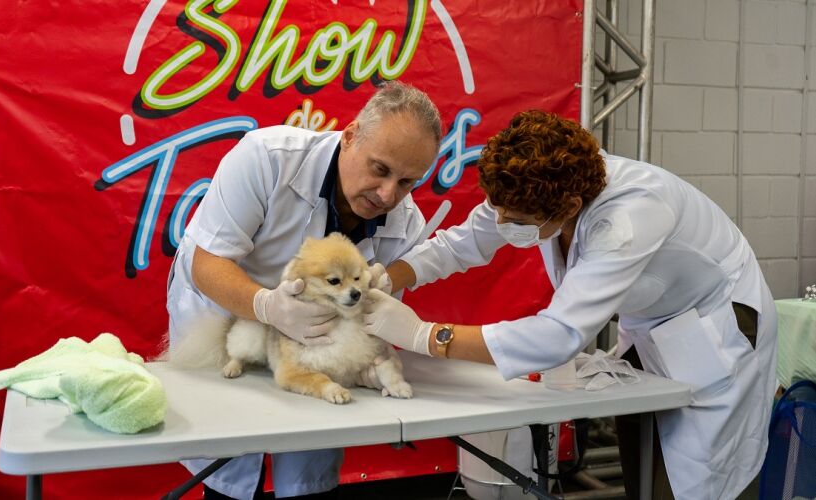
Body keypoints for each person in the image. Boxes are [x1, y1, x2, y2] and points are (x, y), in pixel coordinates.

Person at [364, 110, 777, 500]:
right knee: (643, 464)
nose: (503, 224)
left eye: (518, 220)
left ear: (571, 209)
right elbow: (464, 243)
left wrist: (426, 335)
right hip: (651, 325)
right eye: (498, 210)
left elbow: (559, 335)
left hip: (716, 326)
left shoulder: (630, 216)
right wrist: (389, 275)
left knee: (695, 478)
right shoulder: (530, 187)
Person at [166, 81, 441, 500]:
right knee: (230, 472)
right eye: (380, 170)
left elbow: (366, 328)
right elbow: (208, 265)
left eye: (407, 182)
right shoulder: (265, 158)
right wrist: (265, 307)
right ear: (350, 136)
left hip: (314, 354)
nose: (389, 195)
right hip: (228, 324)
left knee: (309, 473)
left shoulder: (406, 223)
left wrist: (373, 357)